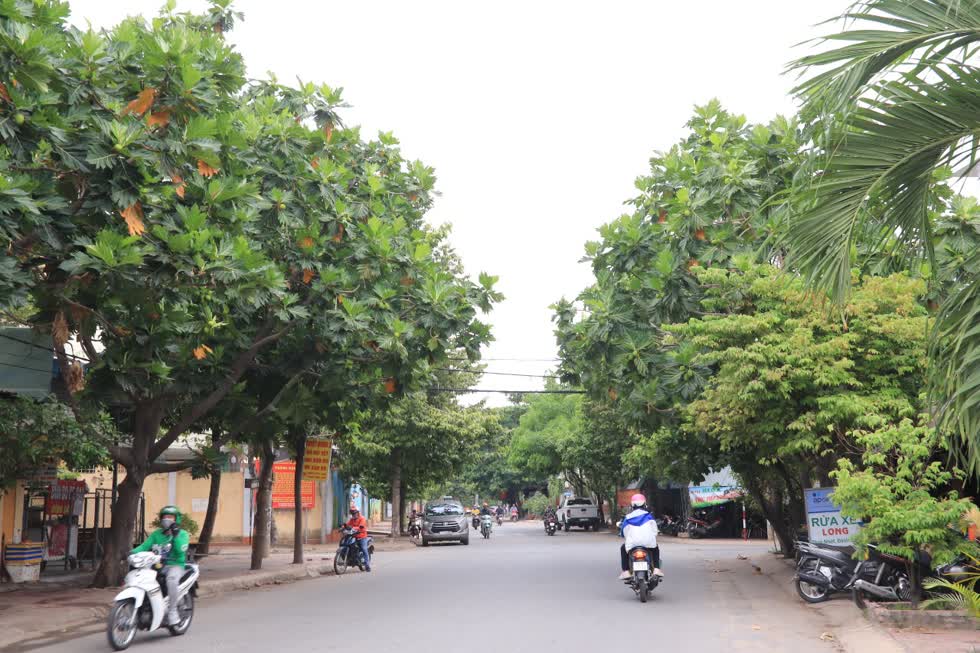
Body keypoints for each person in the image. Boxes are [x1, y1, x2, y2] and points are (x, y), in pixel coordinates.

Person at [131, 505, 190, 625]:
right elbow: (144, 546)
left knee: (171, 580)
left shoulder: (183, 534)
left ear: (176, 519)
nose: (167, 519)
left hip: (175, 565)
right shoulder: (157, 534)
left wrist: (175, 535)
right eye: (165, 516)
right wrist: (132, 552)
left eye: (170, 517)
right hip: (156, 564)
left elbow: (180, 550)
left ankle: (173, 611)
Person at [618, 493, 663, 580]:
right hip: (648, 543)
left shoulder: (627, 518)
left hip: (632, 544)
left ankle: (626, 571)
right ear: (644, 504)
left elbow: (624, 532)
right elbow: (655, 531)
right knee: (655, 548)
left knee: (623, 548)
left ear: (632, 505)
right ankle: (657, 569)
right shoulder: (649, 516)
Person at [345, 505, 371, 572]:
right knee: (348, 545)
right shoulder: (352, 519)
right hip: (354, 536)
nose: (353, 514)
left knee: (364, 549)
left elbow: (361, 527)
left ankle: (367, 565)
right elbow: (347, 524)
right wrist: (342, 527)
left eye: (354, 512)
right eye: (352, 513)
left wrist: (353, 528)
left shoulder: (362, 519)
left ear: (357, 512)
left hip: (362, 537)